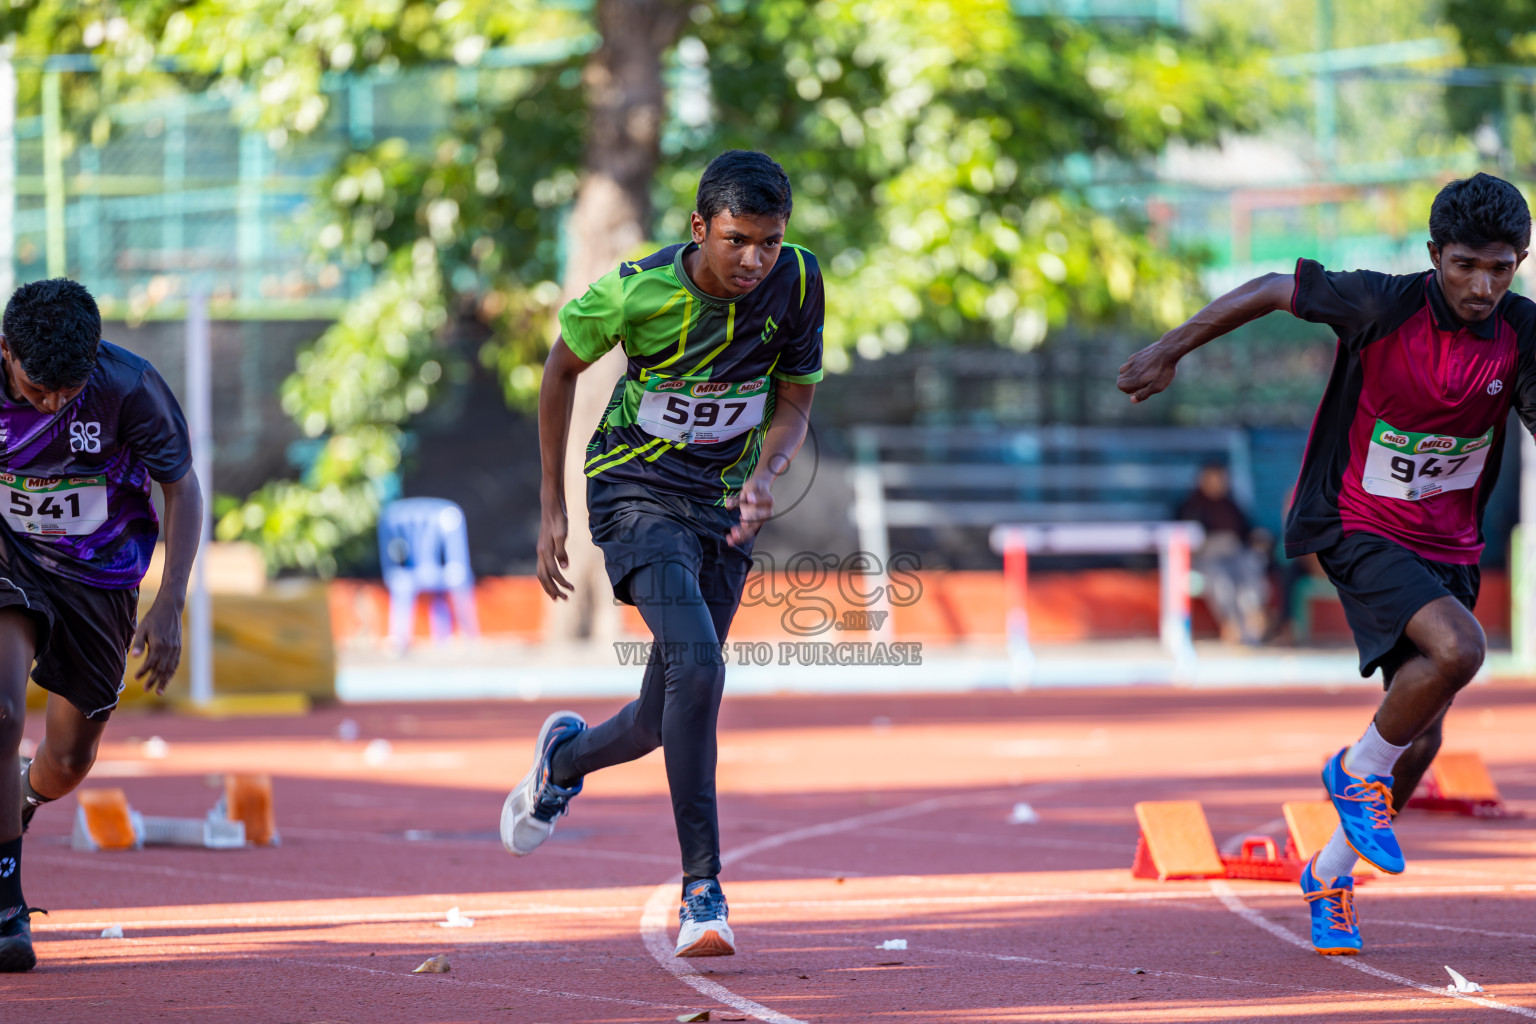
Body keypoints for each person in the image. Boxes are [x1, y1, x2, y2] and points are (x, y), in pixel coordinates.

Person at [1117, 172, 1536, 955]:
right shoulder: (1380, 303)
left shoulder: (1523, 333)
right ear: (1434, 255)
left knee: (1425, 741)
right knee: (1461, 649)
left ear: (1520, 261)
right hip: (1357, 521)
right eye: (1465, 265)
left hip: (1450, 542)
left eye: (1501, 267)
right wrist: (1168, 349)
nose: (1482, 285)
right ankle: (1352, 771)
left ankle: (1328, 875)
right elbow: (1276, 286)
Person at [503, 150, 823, 958]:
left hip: (722, 505)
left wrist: (765, 474)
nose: (755, 261)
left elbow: (794, 402)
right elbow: (561, 369)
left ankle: (564, 759)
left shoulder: (801, 281)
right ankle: (703, 891)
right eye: (738, 240)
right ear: (699, 228)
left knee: (660, 715)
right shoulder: (633, 289)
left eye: (770, 242)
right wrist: (551, 509)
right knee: (701, 665)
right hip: (632, 489)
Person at [0, 279, 200, 972]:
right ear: (6, 352)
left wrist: (169, 602)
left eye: (67, 389)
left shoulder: (130, 387)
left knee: (68, 761)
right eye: (36, 386)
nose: (51, 403)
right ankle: (4, 911)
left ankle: (22, 794)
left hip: (99, 578)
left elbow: (182, 488)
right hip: (10, 557)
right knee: (1, 712)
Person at [1176, 463, 1271, 645]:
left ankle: (1253, 620)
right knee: (1222, 582)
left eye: (1221, 479)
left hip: (1235, 556)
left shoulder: (1232, 506)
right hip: (1207, 559)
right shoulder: (1191, 506)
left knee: (1250, 566)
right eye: (1213, 478)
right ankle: (1232, 624)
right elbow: (1187, 539)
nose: (1218, 483)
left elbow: (1247, 533)